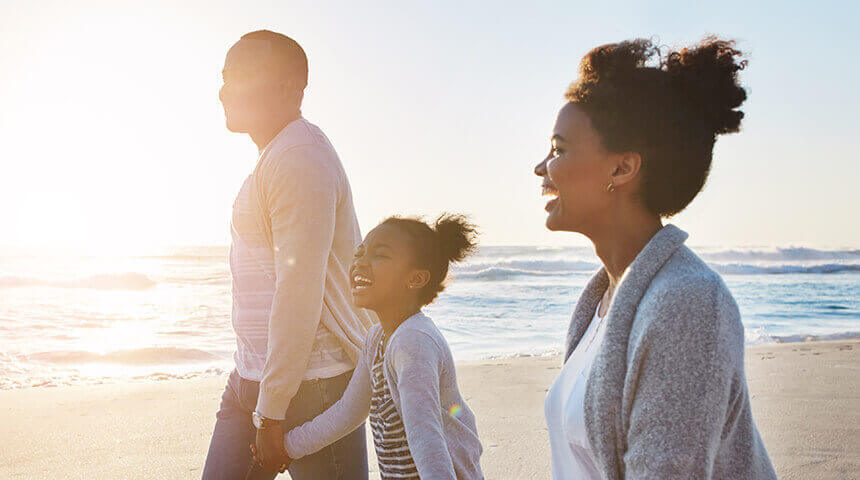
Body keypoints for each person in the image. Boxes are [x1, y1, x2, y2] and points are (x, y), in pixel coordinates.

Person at [535, 37, 777, 479]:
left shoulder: (687, 302)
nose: (541, 168)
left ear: (622, 168)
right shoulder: (604, 300)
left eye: (559, 149)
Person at [202, 30, 376, 479]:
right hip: (252, 379)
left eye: (238, 77)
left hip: (310, 385)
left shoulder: (300, 157)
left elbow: (299, 290)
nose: (223, 90)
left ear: (287, 87)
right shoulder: (278, 154)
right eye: (223, 77)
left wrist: (273, 410)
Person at [257, 214, 484, 479]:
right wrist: (286, 447)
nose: (360, 263)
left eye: (380, 255)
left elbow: (426, 436)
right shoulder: (376, 339)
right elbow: (348, 412)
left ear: (416, 278)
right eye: (359, 252)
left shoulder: (413, 342)